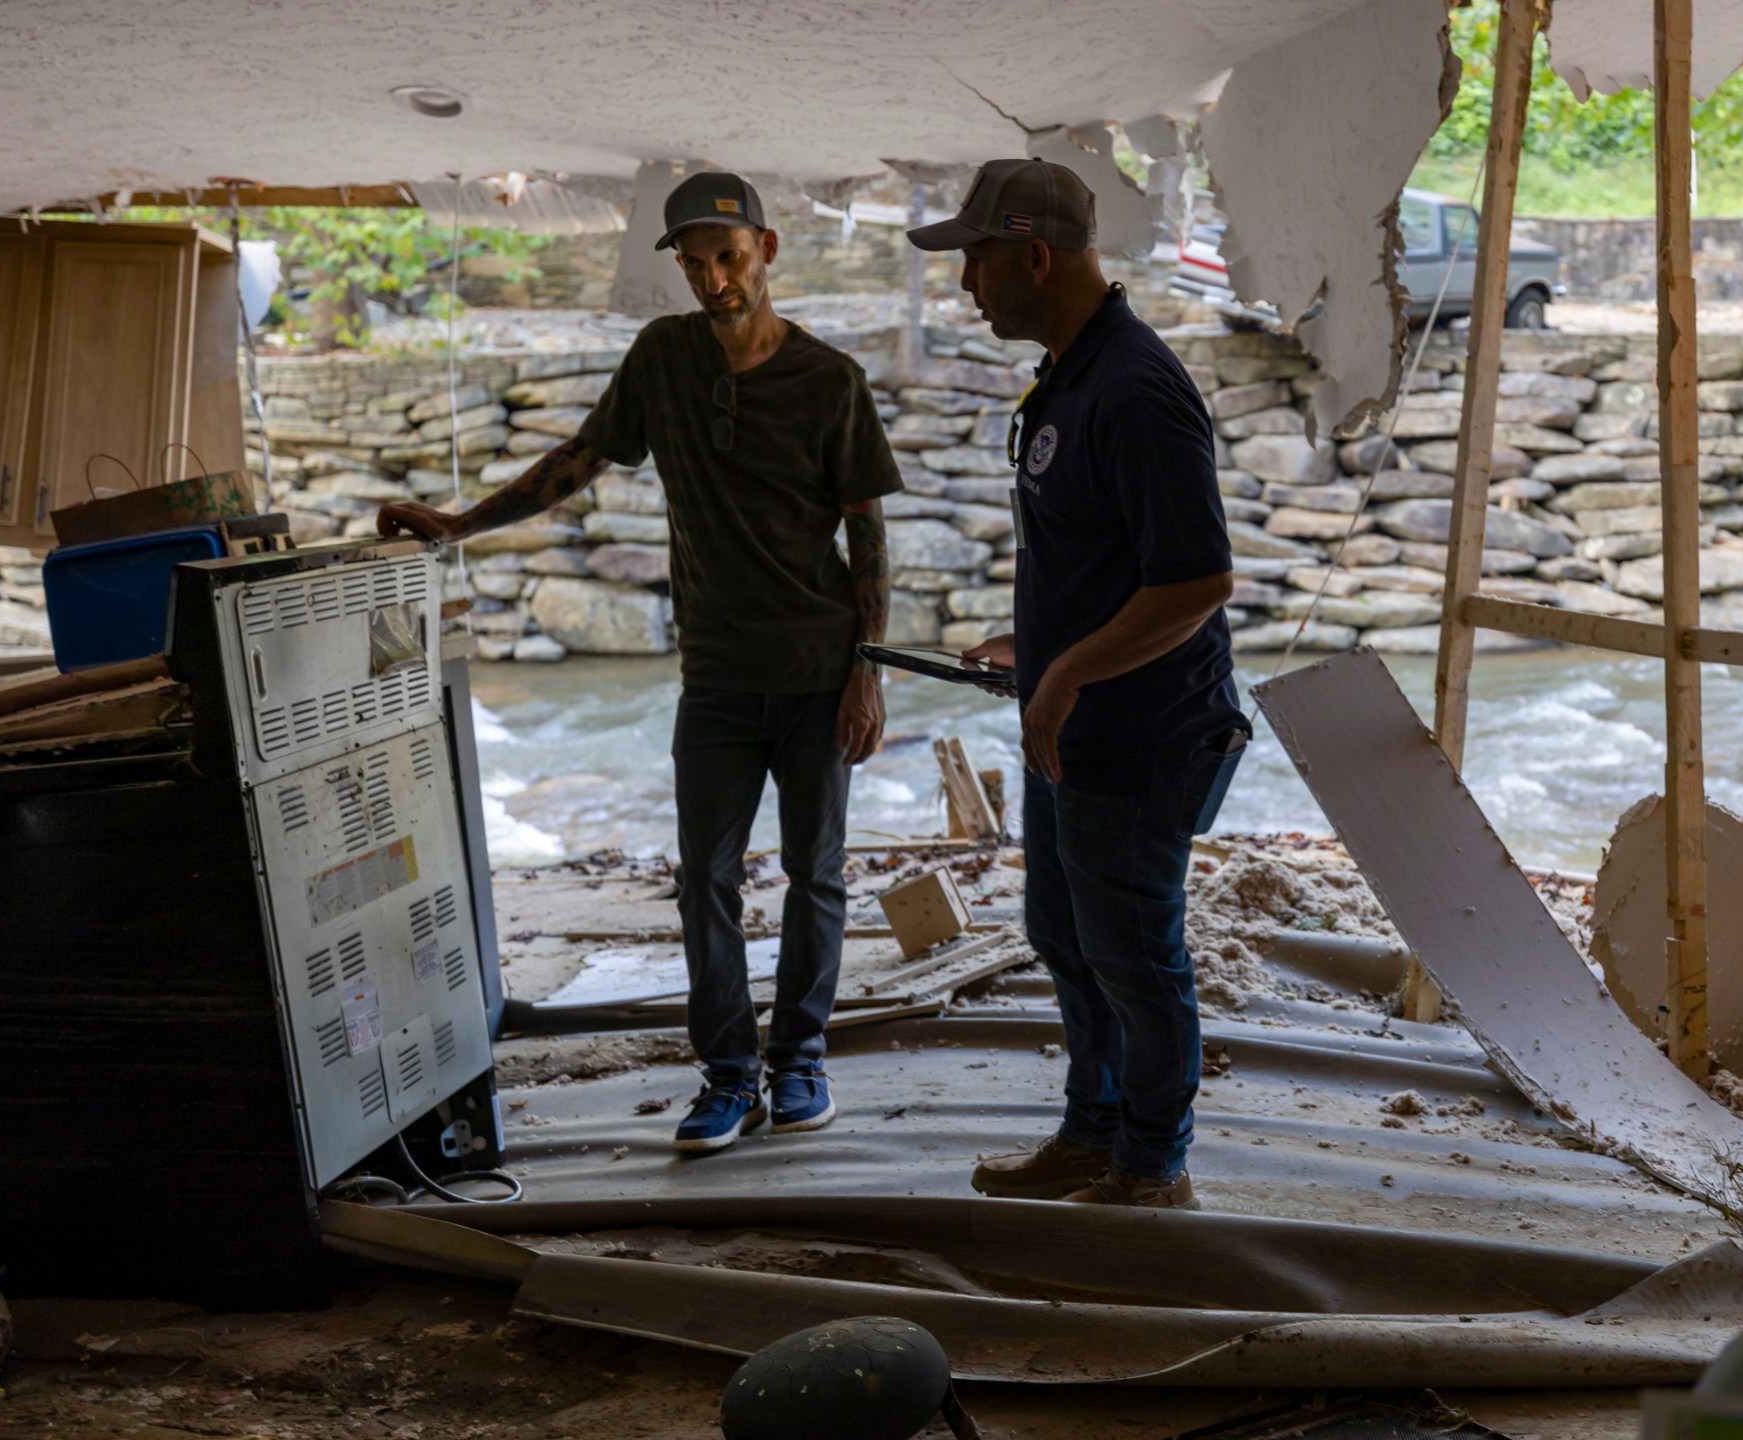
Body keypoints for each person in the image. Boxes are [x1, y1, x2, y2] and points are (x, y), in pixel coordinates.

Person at [379, 172, 902, 1153]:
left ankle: (800, 1062)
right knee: (703, 874)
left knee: (814, 873)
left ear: (768, 251)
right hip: (714, 674)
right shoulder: (662, 360)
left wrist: (868, 673)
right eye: (696, 262)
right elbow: (579, 460)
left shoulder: (831, 381)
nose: (714, 279)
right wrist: (459, 526)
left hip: (818, 669)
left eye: (730, 257)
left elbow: (867, 533)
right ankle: (726, 1076)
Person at [908, 160, 1249, 1211]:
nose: (966, 284)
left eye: (975, 259)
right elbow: (1105, 563)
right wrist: (1035, 650)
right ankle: (1090, 1134)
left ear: (1033, 255)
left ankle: (1153, 1168)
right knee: (1066, 939)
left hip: (1140, 736)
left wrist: (1067, 677)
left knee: (1137, 956)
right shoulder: (1072, 370)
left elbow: (1196, 579)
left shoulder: (1136, 387)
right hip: (1076, 726)